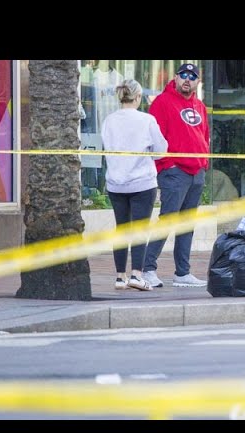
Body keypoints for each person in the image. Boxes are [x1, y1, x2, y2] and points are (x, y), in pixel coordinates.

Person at [142, 63, 209, 288]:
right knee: (168, 220)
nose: (187, 80)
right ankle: (147, 269)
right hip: (174, 172)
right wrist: (166, 165)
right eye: (183, 76)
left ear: (198, 82)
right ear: (176, 78)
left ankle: (183, 273)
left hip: (196, 172)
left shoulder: (200, 106)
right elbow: (152, 137)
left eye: (192, 76)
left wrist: (203, 163)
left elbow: (204, 135)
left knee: (186, 224)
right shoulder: (162, 102)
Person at [100, 79, 168, 291]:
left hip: (116, 183)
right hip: (142, 182)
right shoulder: (146, 120)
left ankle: (120, 277)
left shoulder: (109, 120)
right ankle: (137, 275)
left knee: (121, 228)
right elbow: (161, 150)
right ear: (138, 97)